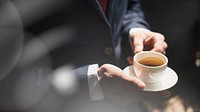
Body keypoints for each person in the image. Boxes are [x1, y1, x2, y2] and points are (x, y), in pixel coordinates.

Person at [6, 0, 168, 112]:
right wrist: (91, 81)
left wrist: (137, 29)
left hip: (124, 102)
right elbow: (9, 79)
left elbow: (130, 5)